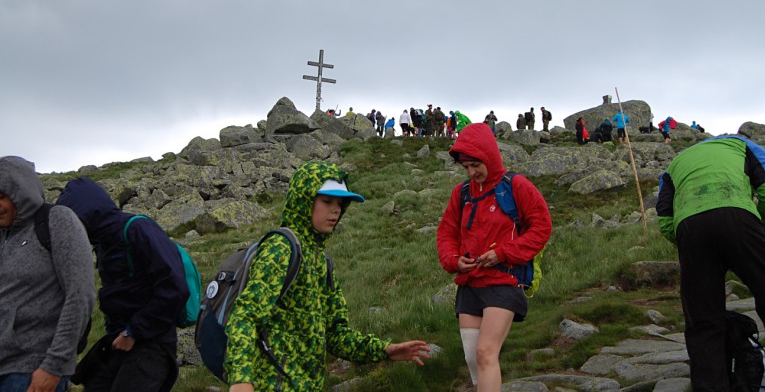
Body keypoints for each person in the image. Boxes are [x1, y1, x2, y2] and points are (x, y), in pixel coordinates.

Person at [225, 161, 430, 391]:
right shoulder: (280, 248)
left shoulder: (322, 260)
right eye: (327, 201)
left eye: (340, 204)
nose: (336, 210)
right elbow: (245, 316)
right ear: (304, 200)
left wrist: (385, 350)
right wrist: (241, 379)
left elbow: (335, 335)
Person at [656, 134, 765, 389]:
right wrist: (761, 230)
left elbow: (665, 217)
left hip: (690, 229)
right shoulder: (745, 146)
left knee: (703, 320)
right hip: (739, 217)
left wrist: (691, 244)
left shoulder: (676, 162)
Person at [437, 123, 551, 390]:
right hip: (470, 283)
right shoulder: (461, 193)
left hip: (504, 281)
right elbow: (446, 234)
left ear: (489, 155)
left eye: (475, 164)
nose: (471, 172)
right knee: (472, 356)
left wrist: (502, 253)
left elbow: (542, 227)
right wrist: (454, 261)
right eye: (465, 167)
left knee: (486, 352)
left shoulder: (516, 185)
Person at [56, 178, 189, 392]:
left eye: (72, 222)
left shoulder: (138, 229)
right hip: (117, 341)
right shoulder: (102, 242)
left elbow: (175, 287)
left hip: (152, 343)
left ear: (86, 215)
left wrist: (134, 331)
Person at [0, 156, 95, 392]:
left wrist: (53, 367)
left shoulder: (58, 221)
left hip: (31, 372)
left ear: (20, 192)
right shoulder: (4, 237)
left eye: (2, 196)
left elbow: (80, 295)